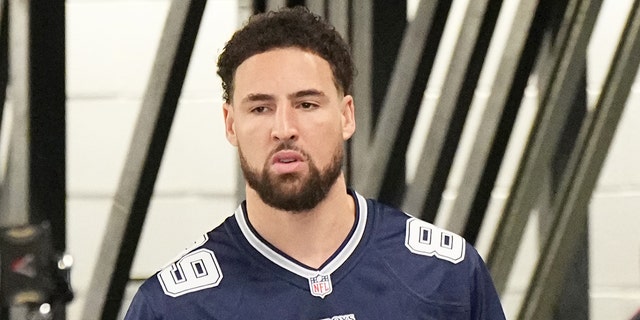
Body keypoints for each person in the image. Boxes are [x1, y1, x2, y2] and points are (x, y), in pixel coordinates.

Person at [124, 6, 506, 319]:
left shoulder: (445, 276)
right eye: (260, 108)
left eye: (306, 104)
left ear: (346, 116)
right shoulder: (173, 307)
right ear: (230, 124)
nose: (284, 128)